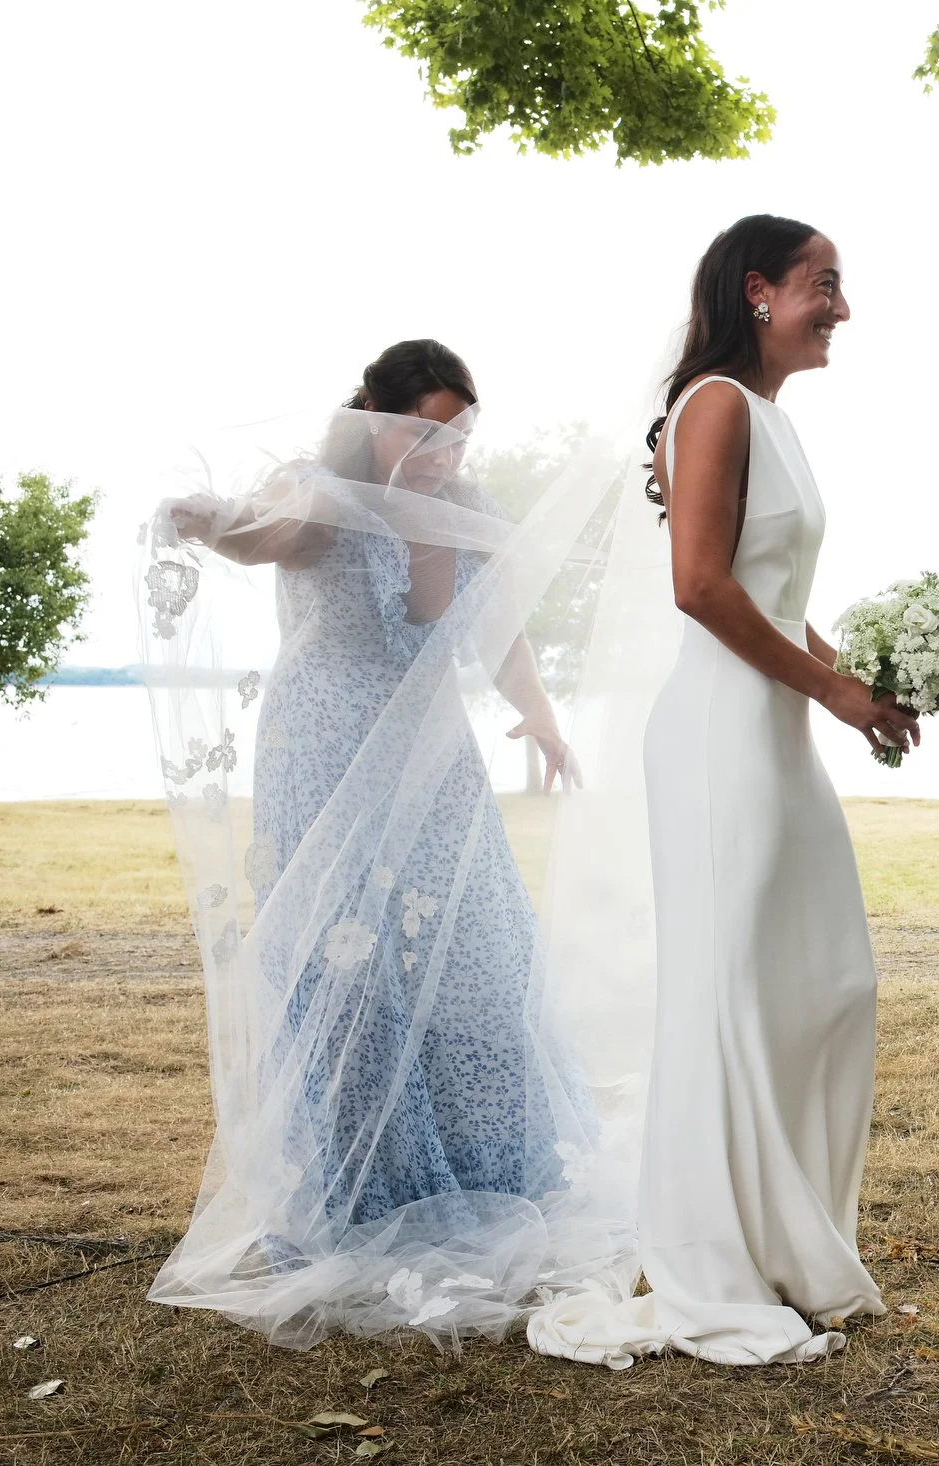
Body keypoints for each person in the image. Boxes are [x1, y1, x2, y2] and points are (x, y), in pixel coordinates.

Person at [144, 340, 610, 1350]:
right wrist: (201, 517)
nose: (443, 450)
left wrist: (538, 713)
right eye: (424, 428)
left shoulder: (467, 499)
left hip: (431, 752)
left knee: (476, 949)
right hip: (326, 744)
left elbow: (502, 628)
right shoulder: (319, 490)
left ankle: (487, 1168)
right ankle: (355, 1187)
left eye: (459, 433)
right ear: (370, 413)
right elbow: (261, 537)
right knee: (342, 958)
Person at [526, 215, 915, 1368]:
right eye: (823, 284)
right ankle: (714, 1260)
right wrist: (829, 693)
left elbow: (771, 586)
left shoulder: (774, 420)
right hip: (714, 737)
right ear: (757, 290)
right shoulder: (711, 406)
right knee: (730, 991)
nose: (840, 306)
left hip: (774, 730)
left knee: (824, 980)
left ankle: (784, 1243)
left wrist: (861, 682)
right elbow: (699, 586)